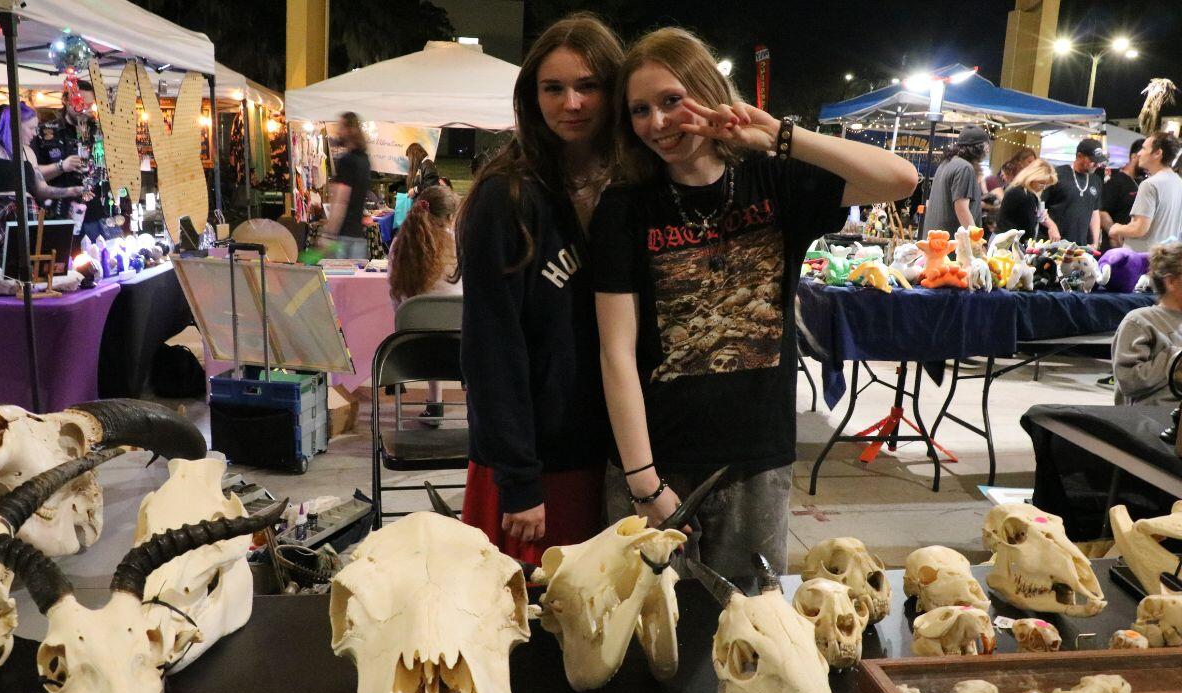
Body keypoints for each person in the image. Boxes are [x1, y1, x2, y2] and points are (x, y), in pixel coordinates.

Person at [591, 28, 918, 577]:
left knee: (752, 635)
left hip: (755, 463)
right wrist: (644, 482)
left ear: (707, 91)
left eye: (672, 100)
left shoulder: (773, 180)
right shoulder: (624, 207)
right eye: (640, 109)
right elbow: (615, 352)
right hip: (658, 462)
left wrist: (780, 136)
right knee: (650, 639)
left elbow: (900, 179)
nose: (657, 122)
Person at [457, 14, 623, 562]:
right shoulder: (505, 198)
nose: (571, 103)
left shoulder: (631, 190)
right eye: (553, 88)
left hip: (617, 458)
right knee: (523, 626)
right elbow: (491, 348)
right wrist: (519, 480)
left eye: (588, 86)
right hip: (535, 469)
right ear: (532, 96)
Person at [388, 185, 462, 425]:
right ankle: (474, 409)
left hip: (411, 353)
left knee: (426, 322)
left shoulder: (399, 247)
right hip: (461, 353)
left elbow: (397, 302)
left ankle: (434, 403)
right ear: (450, 218)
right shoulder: (461, 246)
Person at [0, 102, 83, 267]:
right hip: (0, 216)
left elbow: (41, 189)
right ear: (16, 125)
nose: (35, 134)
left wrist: (71, 191)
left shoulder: (28, 153)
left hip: (28, 214)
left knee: (30, 262)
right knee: (3, 264)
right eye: (31, 128)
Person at [31, 80, 112, 241]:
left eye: (89, 105)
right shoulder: (44, 132)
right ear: (66, 101)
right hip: (58, 216)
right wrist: (61, 166)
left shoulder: (99, 132)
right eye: (81, 103)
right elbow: (32, 175)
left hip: (96, 215)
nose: (85, 109)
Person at [1113, 241, 1182, 405]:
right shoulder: (1139, 321)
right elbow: (1129, 381)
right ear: (1171, 282)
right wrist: (1175, 358)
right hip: (1152, 420)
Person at [1109, 132, 1182, 253]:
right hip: (1164, 261)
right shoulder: (1178, 182)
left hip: (1142, 260)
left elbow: (1139, 228)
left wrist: (1117, 228)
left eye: (1143, 148)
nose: (1139, 153)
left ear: (1158, 153)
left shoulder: (1150, 184)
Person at [923, 124, 990, 235]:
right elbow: (962, 209)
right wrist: (976, 240)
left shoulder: (946, 163)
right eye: (986, 145)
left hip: (936, 241)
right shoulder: (965, 168)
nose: (987, 149)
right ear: (978, 147)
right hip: (953, 244)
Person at [322, 112, 371, 259]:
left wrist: (329, 234)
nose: (338, 132)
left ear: (349, 130)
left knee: (336, 282)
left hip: (342, 240)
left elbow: (340, 201)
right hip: (357, 237)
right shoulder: (365, 160)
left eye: (340, 127)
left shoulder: (347, 161)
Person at [1043, 138, 1106, 248]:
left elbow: (1095, 213)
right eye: (1092, 160)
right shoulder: (1057, 175)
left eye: (1098, 161)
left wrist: (1095, 242)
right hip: (1054, 243)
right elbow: (1039, 206)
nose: (1096, 164)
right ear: (1079, 156)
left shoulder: (1096, 180)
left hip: (1082, 246)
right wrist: (1051, 226)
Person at [996, 159, 1059, 243]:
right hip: (1008, 243)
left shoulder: (1019, 190)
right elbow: (1029, 230)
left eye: (1046, 184)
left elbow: (1039, 216)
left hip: (1005, 240)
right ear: (1031, 177)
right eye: (1041, 183)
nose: (1044, 188)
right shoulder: (1024, 195)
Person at [1101, 138, 1144, 251]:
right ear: (1134, 157)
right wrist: (1115, 236)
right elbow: (1102, 212)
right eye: (1143, 157)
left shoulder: (1144, 182)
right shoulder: (1116, 182)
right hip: (1116, 248)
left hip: (1136, 246)